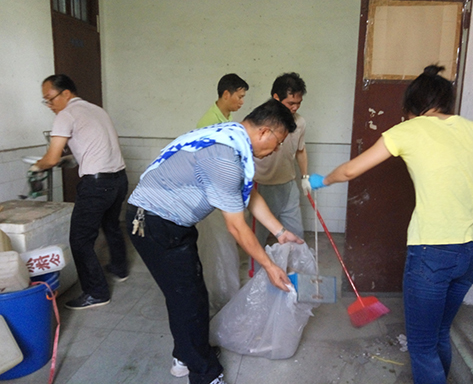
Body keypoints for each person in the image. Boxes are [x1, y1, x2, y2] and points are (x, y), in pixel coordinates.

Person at [309, 65, 473, 384]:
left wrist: (321, 181)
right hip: (469, 255)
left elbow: (351, 171)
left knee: (421, 346)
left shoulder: (407, 130)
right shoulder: (470, 129)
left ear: (413, 106)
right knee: (439, 336)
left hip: (431, 255)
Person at [126, 99, 303, 384]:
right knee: (191, 300)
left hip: (166, 221)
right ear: (265, 132)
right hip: (155, 223)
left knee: (183, 294)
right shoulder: (224, 158)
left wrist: (280, 232)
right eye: (279, 142)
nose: (277, 149)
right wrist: (269, 266)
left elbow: (248, 195)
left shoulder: (229, 137)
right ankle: (204, 374)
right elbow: (236, 226)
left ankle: (185, 353)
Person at [33, 74, 128, 310]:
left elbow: (51, 157)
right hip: (119, 179)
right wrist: (70, 159)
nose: (50, 105)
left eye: (50, 99)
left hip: (97, 186)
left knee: (80, 240)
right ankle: (119, 268)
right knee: (111, 224)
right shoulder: (97, 110)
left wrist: (38, 165)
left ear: (66, 93)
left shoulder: (66, 114)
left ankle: (96, 292)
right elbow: (94, 147)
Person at [195, 73, 249, 322]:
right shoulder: (211, 123)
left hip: (223, 193)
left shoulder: (225, 119)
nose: (241, 102)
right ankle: (222, 298)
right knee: (218, 248)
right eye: (239, 96)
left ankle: (225, 293)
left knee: (225, 246)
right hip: (214, 196)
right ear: (225, 94)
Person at [253, 72, 311, 247]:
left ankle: (293, 273)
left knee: (296, 234)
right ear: (276, 98)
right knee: (258, 237)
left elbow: (301, 150)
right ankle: (257, 272)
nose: (295, 108)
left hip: (288, 185)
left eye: (298, 103)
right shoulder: (259, 121)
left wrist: (305, 177)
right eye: (290, 103)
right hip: (261, 186)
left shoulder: (299, 123)